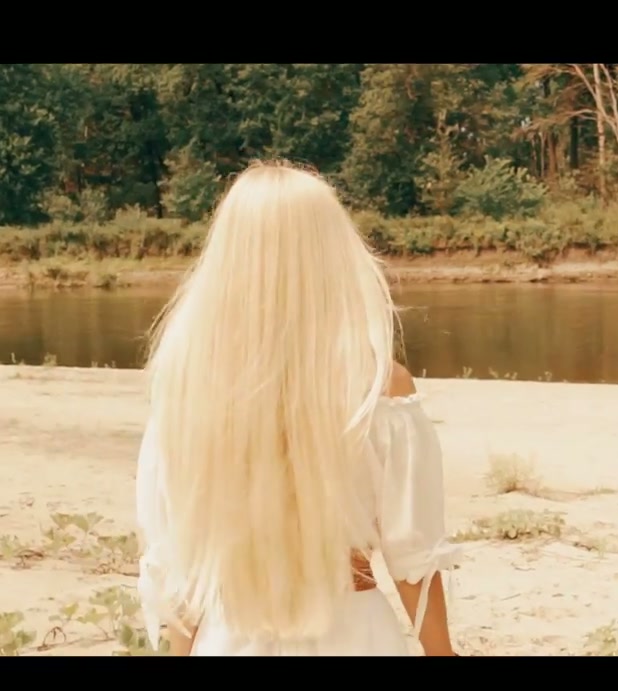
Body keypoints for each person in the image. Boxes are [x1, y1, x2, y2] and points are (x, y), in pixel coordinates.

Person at [134, 160, 463, 656]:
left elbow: (178, 561)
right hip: (355, 636)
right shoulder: (377, 387)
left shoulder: (188, 388)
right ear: (332, 254)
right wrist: (443, 654)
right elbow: (412, 554)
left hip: (230, 636)